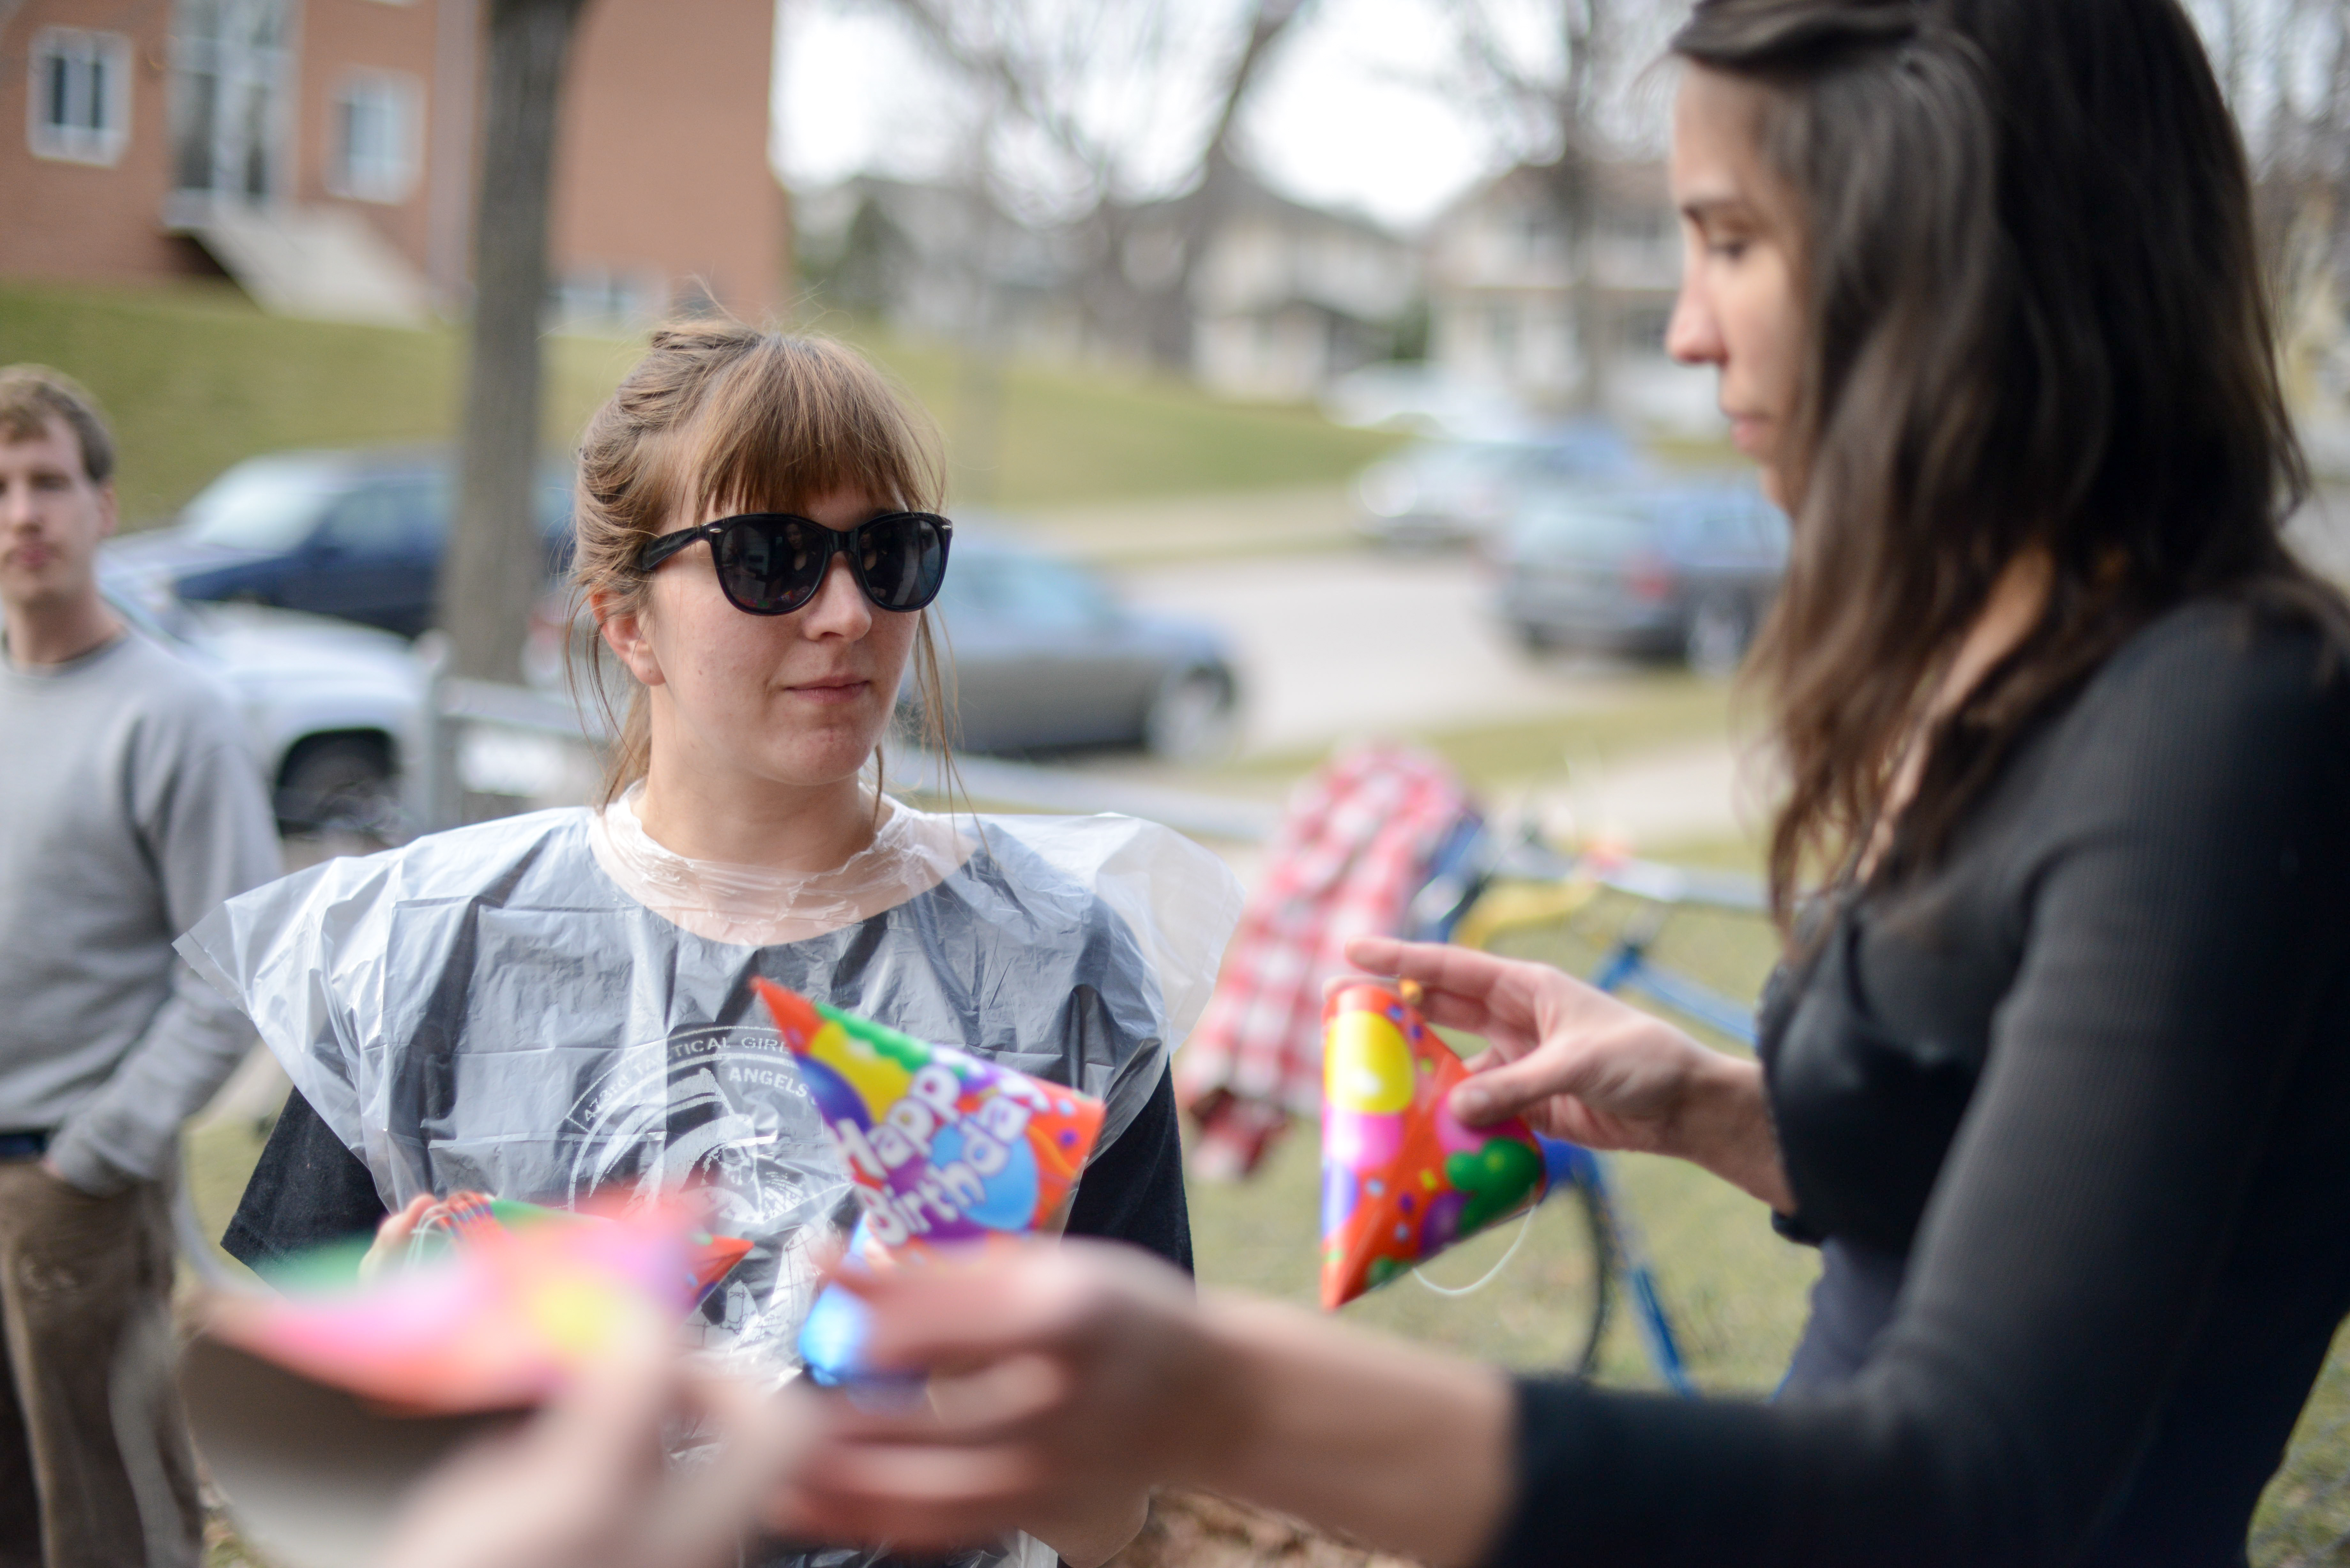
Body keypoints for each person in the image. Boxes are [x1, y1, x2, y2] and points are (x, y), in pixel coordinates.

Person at [748, 3, 2350, 1565]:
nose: (1686, 325)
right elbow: (2057, 1198)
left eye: (1731, 240)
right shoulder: (2024, 678)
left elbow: (1971, 1481)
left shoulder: (2225, 726)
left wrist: (1223, 1389)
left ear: (1952, 259)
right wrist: (1722, 1108)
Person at [185, 323, 1241, 1568]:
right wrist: (394, 1389)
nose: (846, 611)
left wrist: (984, 1387)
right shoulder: (422, 954)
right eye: (769, 556)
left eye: (887, 552)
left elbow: (1108, 1517)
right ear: (625, 624)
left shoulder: (1055, 969)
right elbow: (286, 1489)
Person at [0, 366, 282, 1567]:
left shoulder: (177, 715)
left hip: (74, 1191)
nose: (23, 513)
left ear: (104, 508)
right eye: (1, 486)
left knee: (110, 1521)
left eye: (49, 482)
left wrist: (100, 1152)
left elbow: (232, 967)